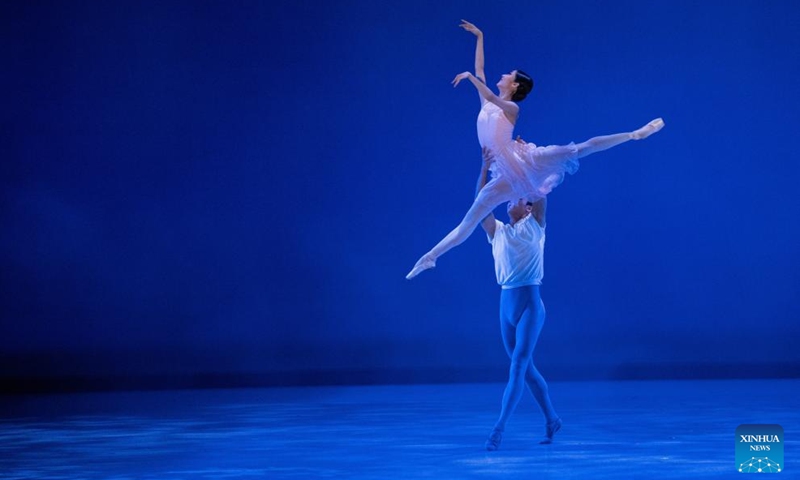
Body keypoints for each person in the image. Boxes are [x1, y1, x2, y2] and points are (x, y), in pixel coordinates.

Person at [406, 20, 663, 280]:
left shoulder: (512, 109)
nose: (503, 75)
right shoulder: (486, 103)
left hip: (525, 159)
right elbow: (480, 69)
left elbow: (488, 90)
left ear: (515, 85)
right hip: (504, 173)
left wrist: (471, 79)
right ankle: (430, 258)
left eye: (508, 75)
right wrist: (480, 37)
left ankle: (635, 134)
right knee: (469, 220)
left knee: (579, 149)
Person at [477, 147, 560, 451]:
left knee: (518, 366)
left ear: (527, 209)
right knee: (526, 370)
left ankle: (498, 429)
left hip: (529, 305)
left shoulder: (535, 225)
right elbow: (481, 205)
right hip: (505, 305)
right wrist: (484, 168)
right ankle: (552, 418)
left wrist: (523, 163)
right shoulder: (497, 231)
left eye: (520, 198)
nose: (514, 198)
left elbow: (538, 195)